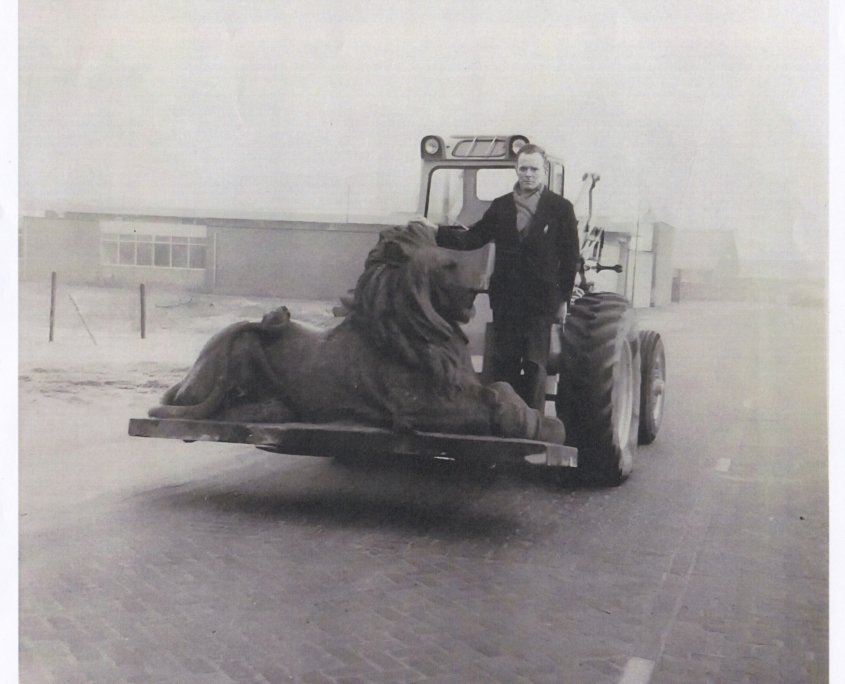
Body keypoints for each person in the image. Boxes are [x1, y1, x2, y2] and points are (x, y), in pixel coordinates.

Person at [434, 143, 580, 413]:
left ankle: (532, 425)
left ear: (543, 171)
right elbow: (473, 237)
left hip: (541, 303)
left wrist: (563, 300)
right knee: (505, 366)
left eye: (533, 169)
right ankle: (505, 422)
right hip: (506, 301)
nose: (528, 174)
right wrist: (435, 232)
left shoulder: (560, 209)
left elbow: (570, 259)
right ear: (516, 169)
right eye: (523, 168)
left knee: (536, 367)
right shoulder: (501, 206)